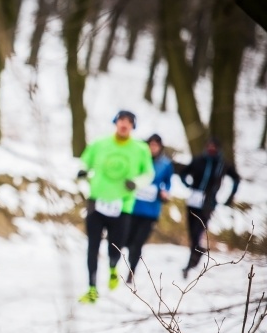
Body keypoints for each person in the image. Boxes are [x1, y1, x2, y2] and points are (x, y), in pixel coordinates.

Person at [77, 110, 154, 304]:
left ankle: (113, 268)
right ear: (115, 122)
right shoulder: (100, 143)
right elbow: (84, 163)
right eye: (121, 120)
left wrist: (136, 183)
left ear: (133, 126)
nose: (124, 124)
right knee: (92, 245)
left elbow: (148, 174)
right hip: (97, 201)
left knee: (115, 246)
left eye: (129, 122)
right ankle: (92, 288)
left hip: (123, 205)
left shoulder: (141, 149)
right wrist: (81, 173)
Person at [178, 136, 240, 278]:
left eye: (214, 146)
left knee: (198, 231)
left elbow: (236, 179)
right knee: (191, 231)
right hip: (193, 200)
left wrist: (229, 197)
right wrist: (188, 185)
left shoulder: (222, 164)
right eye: (209, 146)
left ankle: (190, 263)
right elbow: (183, 173)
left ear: (218, 149)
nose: (211, 148)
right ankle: (196, 252)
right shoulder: (198, 160)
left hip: (208, 203)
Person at [123, 133, 174, 283]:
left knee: (138, 243)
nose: (153, 148)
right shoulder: (139, 160)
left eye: (155, 146)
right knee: (128, 240)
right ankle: (127, 260)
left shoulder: (165, 164)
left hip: (151, 211)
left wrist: (165, 192)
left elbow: (168, 182)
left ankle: (131, 271)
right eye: (150, 145)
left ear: (160, 147)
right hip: (133, 207)